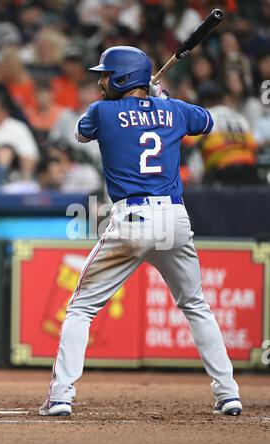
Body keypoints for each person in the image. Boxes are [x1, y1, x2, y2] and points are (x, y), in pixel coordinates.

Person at [39, 46, 242, 418]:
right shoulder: (174, 110)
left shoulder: (102, 112)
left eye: (105, 76)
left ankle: (61, 396)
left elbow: (82, 133)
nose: (100, 82)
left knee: (82, 308)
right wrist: (163, 102)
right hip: (175, 220)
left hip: (132, 220)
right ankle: (228, 393)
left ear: (122, 78)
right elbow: (207, 122)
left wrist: (146, 103)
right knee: (196, 305)